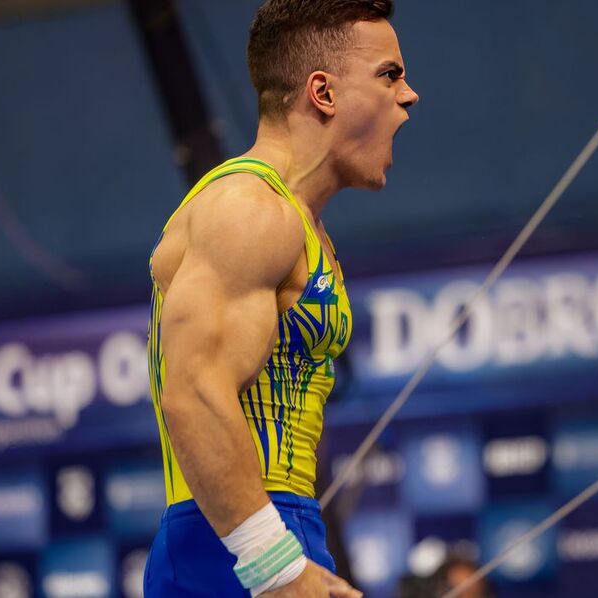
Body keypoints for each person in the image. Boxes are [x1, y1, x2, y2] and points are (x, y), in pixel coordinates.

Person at [143, 0, 418, 596]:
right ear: (323, 92)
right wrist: (274, 565)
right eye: (389, 75)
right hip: (230, 545)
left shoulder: (295, 220)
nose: (409, 95)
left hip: (269, 528)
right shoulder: (249, 209)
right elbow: (192, 392)